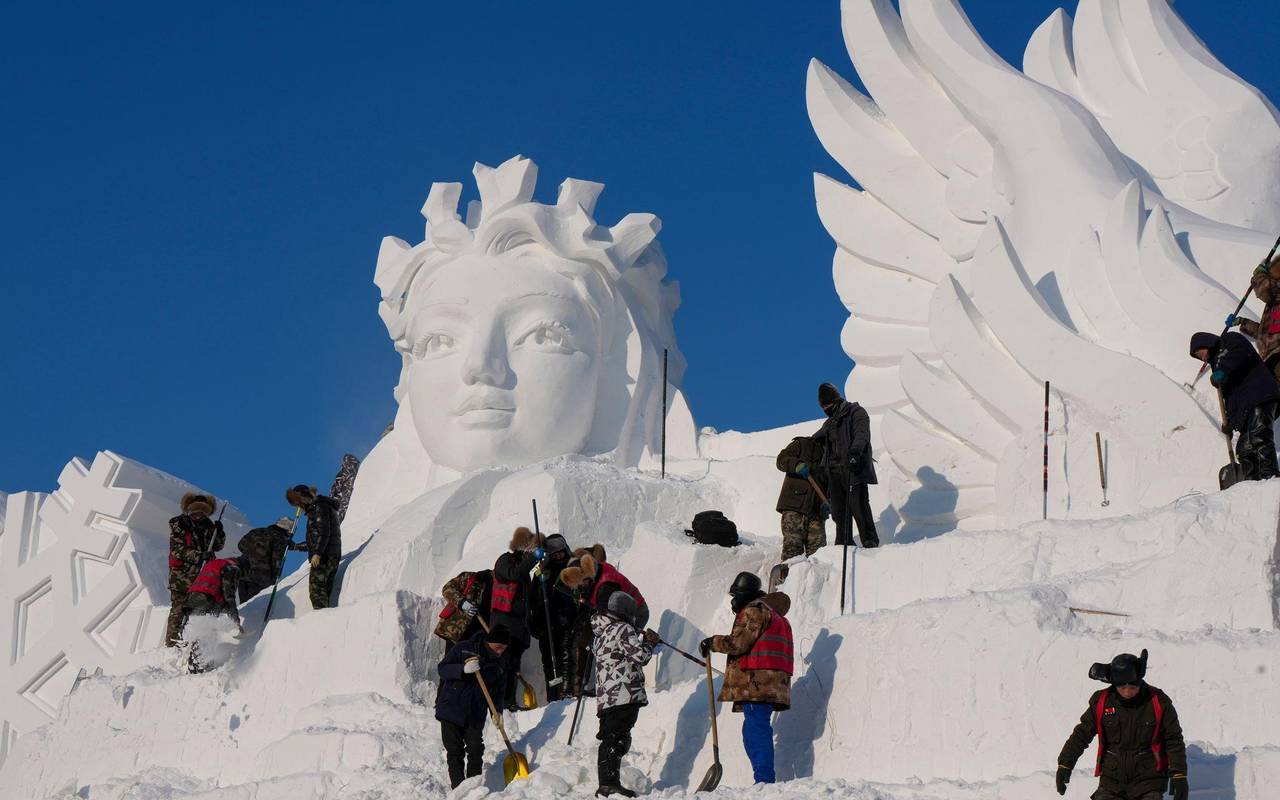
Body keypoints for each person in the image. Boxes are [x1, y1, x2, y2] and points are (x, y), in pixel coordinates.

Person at [699, 572, 793, 785]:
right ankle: (762, 777)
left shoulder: (754, 610)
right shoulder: (776, 615)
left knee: (756, 728)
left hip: (757, 681)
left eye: (736, 595)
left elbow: (737, 643)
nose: (733, 601)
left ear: (746, 593)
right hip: (772, 681)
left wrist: (712, 642)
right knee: (751, 729)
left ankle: (764, 780)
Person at [1055, 649, 1187, 800]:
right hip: (1112, 781)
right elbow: (1081, 734)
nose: (1127, 692)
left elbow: (1173, 739)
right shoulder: (1101, 702)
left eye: (1133, 687)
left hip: (1149, 781)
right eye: (1122, 687)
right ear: (1114, 684)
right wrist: (1065, 764)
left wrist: (1179, 774)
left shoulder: (1158, 702)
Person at [591, 592, 660, 798]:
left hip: (606, 698)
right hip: (624, 693)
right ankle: (609, 784)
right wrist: (649, 643)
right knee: (618, 739)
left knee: (610, 739)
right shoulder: (623, 628)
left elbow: (619, 653)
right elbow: (639, 656)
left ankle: (606, 783)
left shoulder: (600, 634)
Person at [1189, 331, 1280, 480]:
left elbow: (1242, 353)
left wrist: (1223, 370)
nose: (1202, 358)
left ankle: (1270, 476)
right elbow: (1229, 396)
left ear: (1205, 343)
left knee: (1259, 437)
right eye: (1198, 357)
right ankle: (1253, 483)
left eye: (1200, 353)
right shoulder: (1216, 364)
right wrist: (1230, 422)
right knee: (1244, 449)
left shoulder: (1229, 339)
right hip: (1246, 406)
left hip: (1259, 394)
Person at [434, 624, 510, 789]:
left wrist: (497, 712)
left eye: (503, 649)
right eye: (498, 647)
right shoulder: (464, 648)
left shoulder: (499, 664)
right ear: (490, 641)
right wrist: (462, 669)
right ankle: (459, 789)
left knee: (475, 750)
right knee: (455, 751)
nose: (500, 652)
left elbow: (498, 692)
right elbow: (442, 669)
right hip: (452, 707)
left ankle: (473, 789)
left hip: (476, 712)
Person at [813, 382, 880, 548]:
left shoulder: (856, 412)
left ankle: (869, 540)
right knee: (838, 511)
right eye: (823, 407)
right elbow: (816, 439)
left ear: (836, 401)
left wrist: (855, 453)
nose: (826, 409)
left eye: (828, 405)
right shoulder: (829, 423)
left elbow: (861, 434)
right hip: (834, 472)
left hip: (852, 468)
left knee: (859, 505)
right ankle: (844, 543)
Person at [491, 526, 544, 711]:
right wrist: (533, 558)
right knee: (501, 665)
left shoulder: (525, 572)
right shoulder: (504, 561)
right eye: (528, 550)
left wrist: (539, 575)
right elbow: (514, 574)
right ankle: (498, 703)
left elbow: (529, 598)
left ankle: (509, 702)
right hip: (504, 625)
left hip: (519, 627)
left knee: (514, 666)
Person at [166, 492, 225, 646]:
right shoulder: (180, 525)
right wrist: (199, 556)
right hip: (181, 575)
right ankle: (172, 644)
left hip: (202, 575)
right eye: (195, 512)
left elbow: (217, 546)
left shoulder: (208, 527)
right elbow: (177, 550)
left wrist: (219, 532)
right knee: (179, 608)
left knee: (199, 609)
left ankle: (193, 643)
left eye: (203, 513)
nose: (199, 516)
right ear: (189, 510)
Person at [530, 533, 576, 701]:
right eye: (554, 554)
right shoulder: (542, 571)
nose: (557, 557)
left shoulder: (573, 568)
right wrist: (533, 621)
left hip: (568, 623)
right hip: (546, 624)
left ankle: (568, 694)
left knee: (567, 659)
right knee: (550, 662)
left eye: (560, 553)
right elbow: (533, 596)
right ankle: (553, 697)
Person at [285, 484, 344, 609]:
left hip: (324, 556)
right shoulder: (317, 508)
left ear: (303, 500)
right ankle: (326, 615)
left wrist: (317, 553)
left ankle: (321, 616)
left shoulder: (319, 508)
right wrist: (296, 546)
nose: (299, 508)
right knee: (323, 590)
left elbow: (324, 532)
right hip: (329, 554)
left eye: (298, 504)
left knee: (316, 589)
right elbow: (315, 539)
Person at [774, 435, 830, 560]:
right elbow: (781, 460)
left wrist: (828, 501)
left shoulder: (833, 457)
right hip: (794, 507)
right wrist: (796, 464)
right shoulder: (802, 444)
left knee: (819, 557)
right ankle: (788, 573)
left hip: (817, 513)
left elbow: (831, 485)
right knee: (792, 553)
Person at [1229, 254, 1280, 381]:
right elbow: (1270, 333)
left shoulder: (1276, 295)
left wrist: (1259, 276)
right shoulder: (1275, 306)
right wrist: (1243, 322)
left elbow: (1265, 290)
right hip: (1271, 359)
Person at [235, 516, 303, 602]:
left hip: (243, 574)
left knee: (245, 605)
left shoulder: (255, 531)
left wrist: (252, 554)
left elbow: (240, 546)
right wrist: (273, 582)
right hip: (261, 578)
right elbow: (277, 561)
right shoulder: (280, 539)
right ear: (287, 531)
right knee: (254, 606)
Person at [434, 568, 494, 644]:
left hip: (480, 638)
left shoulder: (503, 590)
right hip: (457, 631)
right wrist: (461, 602)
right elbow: (447, 588)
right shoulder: (471, 578)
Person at [183, 555, 244, 628]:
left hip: (189, 600)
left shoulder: (213, 564)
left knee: (195, 630)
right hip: (206, 600)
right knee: (207, 628)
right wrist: (236, 621)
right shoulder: (232, 568)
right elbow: (229, 596)